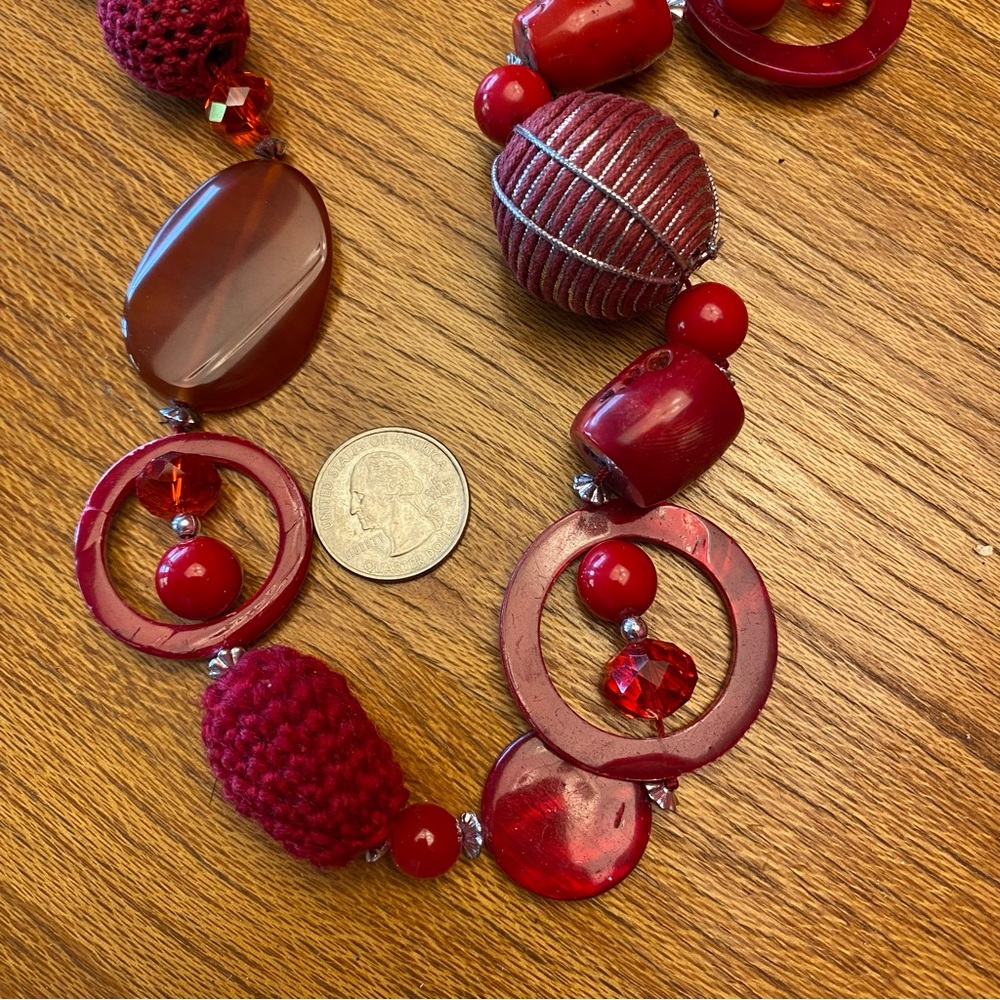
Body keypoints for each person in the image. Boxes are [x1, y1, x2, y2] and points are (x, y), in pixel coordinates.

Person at [349, 451, 438, 557]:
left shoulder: (421, 533)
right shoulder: (403, 542)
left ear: (393, 489)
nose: (353, 509)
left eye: (360, 497)